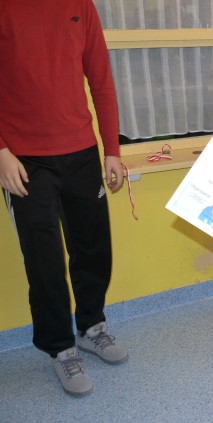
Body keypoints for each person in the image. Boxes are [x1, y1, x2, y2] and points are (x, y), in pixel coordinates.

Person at [0, 0, 128, 396]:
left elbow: (101, 80)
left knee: (93, 248)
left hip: (81, 152)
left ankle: (91, 327)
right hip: (23, 159)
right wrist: (1, 151)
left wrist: (111, 150)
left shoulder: (80, 5)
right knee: (45, 262)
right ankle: (59, 347)